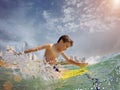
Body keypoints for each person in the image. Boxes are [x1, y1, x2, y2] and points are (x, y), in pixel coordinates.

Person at [23, 35, 88, 72]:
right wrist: (22, 53)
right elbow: (35, 49)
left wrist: (79, 64)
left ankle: (59, 71)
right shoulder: (50, 46)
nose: (66, 49)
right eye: (66, 46)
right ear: (61, 41)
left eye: (67, 47)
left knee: (64, 70)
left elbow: (68, 60)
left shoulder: (61, 51)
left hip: (53, 67)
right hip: (46, 68)